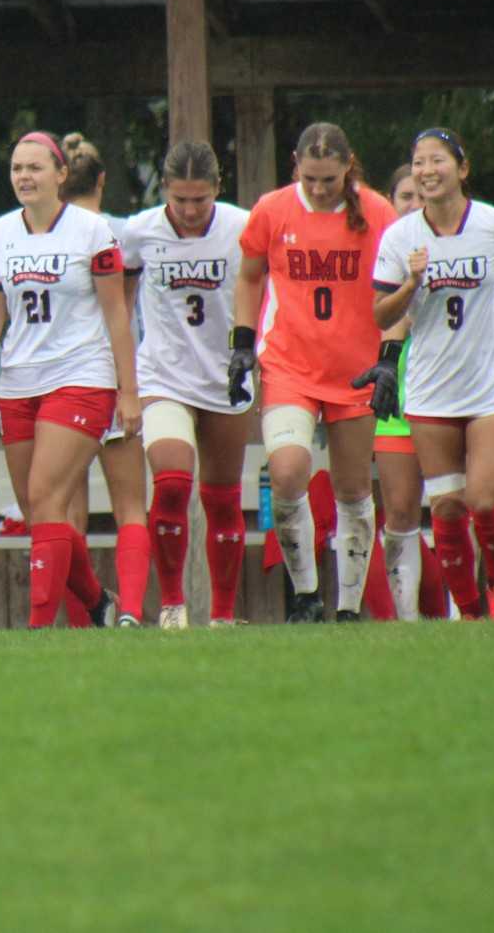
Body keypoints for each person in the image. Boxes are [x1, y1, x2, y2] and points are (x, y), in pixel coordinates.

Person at [0, 131, 140, 629]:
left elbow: (116, 315)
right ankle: (99, 604)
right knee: (40, 511)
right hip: (19, 381)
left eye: (35, 168)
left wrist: (128, 392)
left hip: (81, 375)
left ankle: (38, 627)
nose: (24, 177)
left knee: (45, 496)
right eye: (17, 168)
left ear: (61, 175)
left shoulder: (91, 231)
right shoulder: (0, 232)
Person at [372, 127, 494, 622]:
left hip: (492, 385)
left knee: (486, 500)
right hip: (431, 390)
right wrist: (411, 283)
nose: (427, 171)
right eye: (419, 162)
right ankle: (469, 616)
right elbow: (381, 316)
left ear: (462, 169)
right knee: (447, 508)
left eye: (438, 161)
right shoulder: (400, 236)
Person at [234, 121, 397, 622]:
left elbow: (395, 289)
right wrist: (242, 343)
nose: (321, 189)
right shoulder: (272, 209)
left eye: (330, 179)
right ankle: (306, 597)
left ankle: (348, 606)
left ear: (348, 168)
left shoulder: (377, 212)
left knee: (353, 489)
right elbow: (249, 275)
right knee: (286, 472)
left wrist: (389, 356)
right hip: (289, 363)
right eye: (311, 179)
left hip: (355, 368)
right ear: (295, 168)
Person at [118, 141, 252, 629]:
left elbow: (260, 288)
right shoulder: (139, 232)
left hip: (224, 373)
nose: (191, 211)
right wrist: (125, 376)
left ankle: (221, 613)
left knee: (222, 496)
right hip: (164, 373)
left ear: (218, 189)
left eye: (201, 199)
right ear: (165, 193)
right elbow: (122, 297)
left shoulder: (242, 226)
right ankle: (173, 605)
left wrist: (252, 346)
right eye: (180, 200)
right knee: (172, 482)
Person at [60, 135, 148, 625]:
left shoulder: (43, 233)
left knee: (65, 512)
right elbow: (125, 310)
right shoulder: (122, 234)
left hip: (64, 382)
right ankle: (131, 610)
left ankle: (85, 617)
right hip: (114, 376)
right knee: (130, 506)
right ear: (102, 180)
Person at [372, 164, 450, 621]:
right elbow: (382, 318)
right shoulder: (386, 255)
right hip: (397, 398)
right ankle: (405, 621)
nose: (414, 204)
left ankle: (466, 610)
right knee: (400, 510)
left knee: (452, 507)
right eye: (404, 195)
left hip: (449, 395)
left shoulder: (463, 247)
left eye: (420, 196)